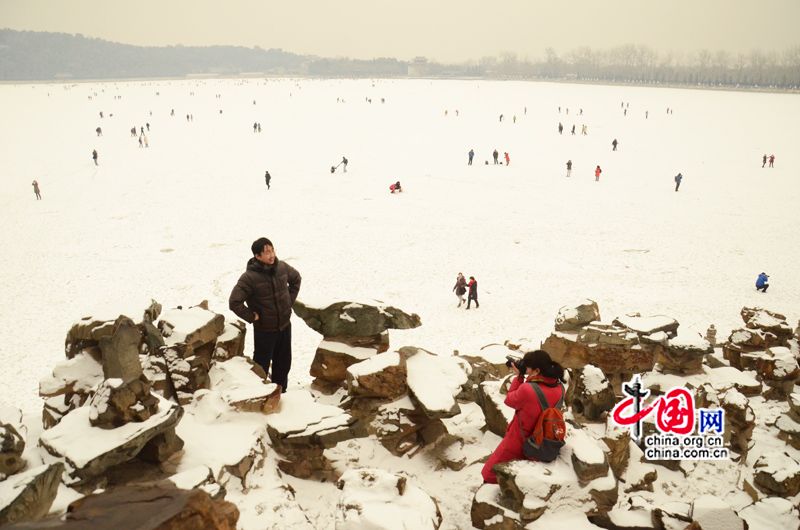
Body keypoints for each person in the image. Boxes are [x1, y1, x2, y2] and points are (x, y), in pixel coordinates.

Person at [481, 350, 566, 483]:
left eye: (528, 369)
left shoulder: (528, 390)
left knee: (491, 474)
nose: (526, 371)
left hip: (520, 440)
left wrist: (519, 377)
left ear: (537, 371)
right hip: (542, 439)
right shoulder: (560, 387)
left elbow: (509, 399)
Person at [229, 237, 301, 392]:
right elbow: (234, 302)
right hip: (265, 331)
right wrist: (251, 316)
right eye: (267, 252)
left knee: (283, 363)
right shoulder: (249, 278)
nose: (271, 255)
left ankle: (281, 394)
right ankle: (259, 395)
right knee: (261, 365)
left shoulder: (282, 267)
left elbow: (296, 279)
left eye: (272, 250)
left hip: (284, 326)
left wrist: (288, 301)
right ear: (257, 256)